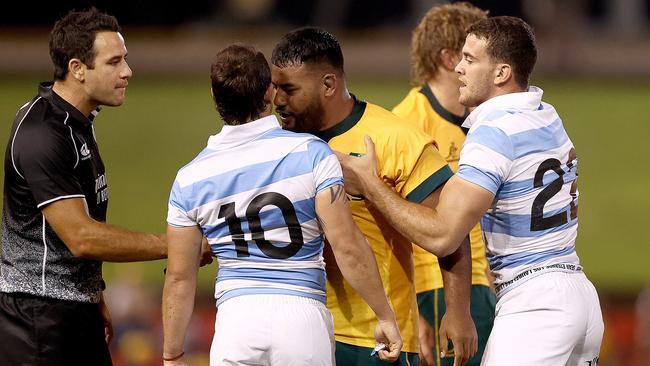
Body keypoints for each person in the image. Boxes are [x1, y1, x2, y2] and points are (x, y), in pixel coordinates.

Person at [337, 16, 604, 365]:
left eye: (470, 59)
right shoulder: (546, 115)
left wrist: (370, 184)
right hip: (579, 296)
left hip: (535, 306)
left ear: (501, 73)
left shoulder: (494, 131)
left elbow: (444, 235)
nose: (459, 68)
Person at [162, 44, 402, 366]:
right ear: (269, 91)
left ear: (215, 96)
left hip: (236, 322)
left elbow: (179, 277)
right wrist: (385, 315)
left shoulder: (189, 179)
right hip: (302, 320)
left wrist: (172, 353)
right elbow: (346, 245)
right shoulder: (312, 153)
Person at [271, 27, 477, 366]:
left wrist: (457, 312)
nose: (278, 101)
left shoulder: (396, 138)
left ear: (327, 84)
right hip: (296, 332)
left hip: (376, 339)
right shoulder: (277, 144)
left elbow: (449, 233)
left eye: (289, 89)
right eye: (275, 87)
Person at [0, 8, 194, 366]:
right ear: (77, 69)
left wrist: (94, 293)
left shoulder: (74, 123)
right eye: (114, 62)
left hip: (69, 310)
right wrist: (177, 247)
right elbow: (82, 237)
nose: (127, 72)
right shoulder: (42, 134)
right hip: (38, 325)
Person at [391, 3, 495, 365]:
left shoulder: (482, 121)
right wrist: (408, 311)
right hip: (435, 290)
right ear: (450, 59)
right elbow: (383, 224)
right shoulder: (405, 124)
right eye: (478, 54)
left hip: (482, 284)